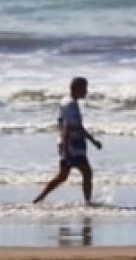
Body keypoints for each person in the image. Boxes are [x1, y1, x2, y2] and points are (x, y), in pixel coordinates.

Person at [33, 76, 102, 205]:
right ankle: (88, 202)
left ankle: (39, 198)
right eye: (84, 89)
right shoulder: (70, 105)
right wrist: (65, 149)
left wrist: (92, 140)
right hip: (72, 144)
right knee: (86, 172)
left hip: (70, 143)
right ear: (75, 89)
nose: (86, 92)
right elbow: (67, 128)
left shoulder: (67, 101)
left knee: (63, 176)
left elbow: (76, 126)